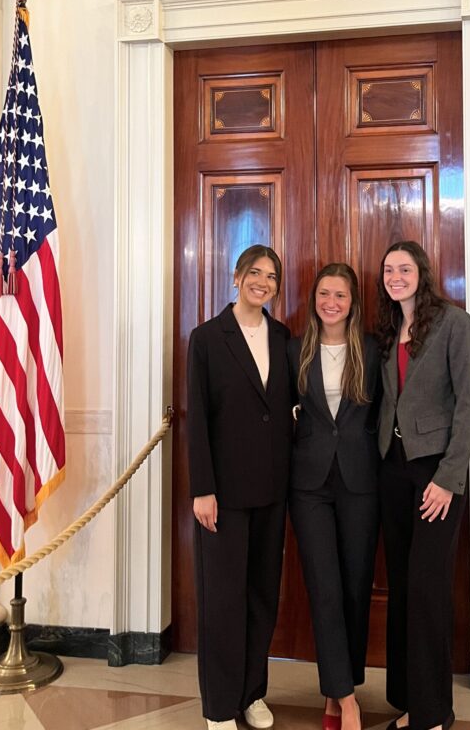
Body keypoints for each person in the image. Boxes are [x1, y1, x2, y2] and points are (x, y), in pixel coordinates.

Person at [375, 241, 470, 730]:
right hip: (392, 471)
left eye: (404, 268)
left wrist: (447, 479)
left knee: (428, 589)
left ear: (422, 272)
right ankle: (411, 701)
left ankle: (434, 713)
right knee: (402, 587)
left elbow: (468, 408)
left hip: (435, 474)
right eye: (388, 270)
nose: (396, 276)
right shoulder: (388, 328)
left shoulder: (456, 325)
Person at [187, 245, 291, 730]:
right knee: (222, 601)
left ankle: (252, 693)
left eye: (271, 276)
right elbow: (199, 423)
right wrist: (202, 489)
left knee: (261, 597)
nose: (263, 282)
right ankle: (220, 706)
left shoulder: (284, 337)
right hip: (223, 496)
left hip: (272, 491)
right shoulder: (207, 339)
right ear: (236, 276)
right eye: (255, 273)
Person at [288, 264, 382, 730]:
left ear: (352, 302)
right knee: (324, 590)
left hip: (361, 483)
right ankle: (347, 701)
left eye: (340, 295)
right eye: (324, 294)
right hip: (308, 487)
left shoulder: (371, 350)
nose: (331, 302)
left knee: (353, 589)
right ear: (314, 299)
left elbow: (387, 415)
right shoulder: (294, 350)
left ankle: (335, 689)